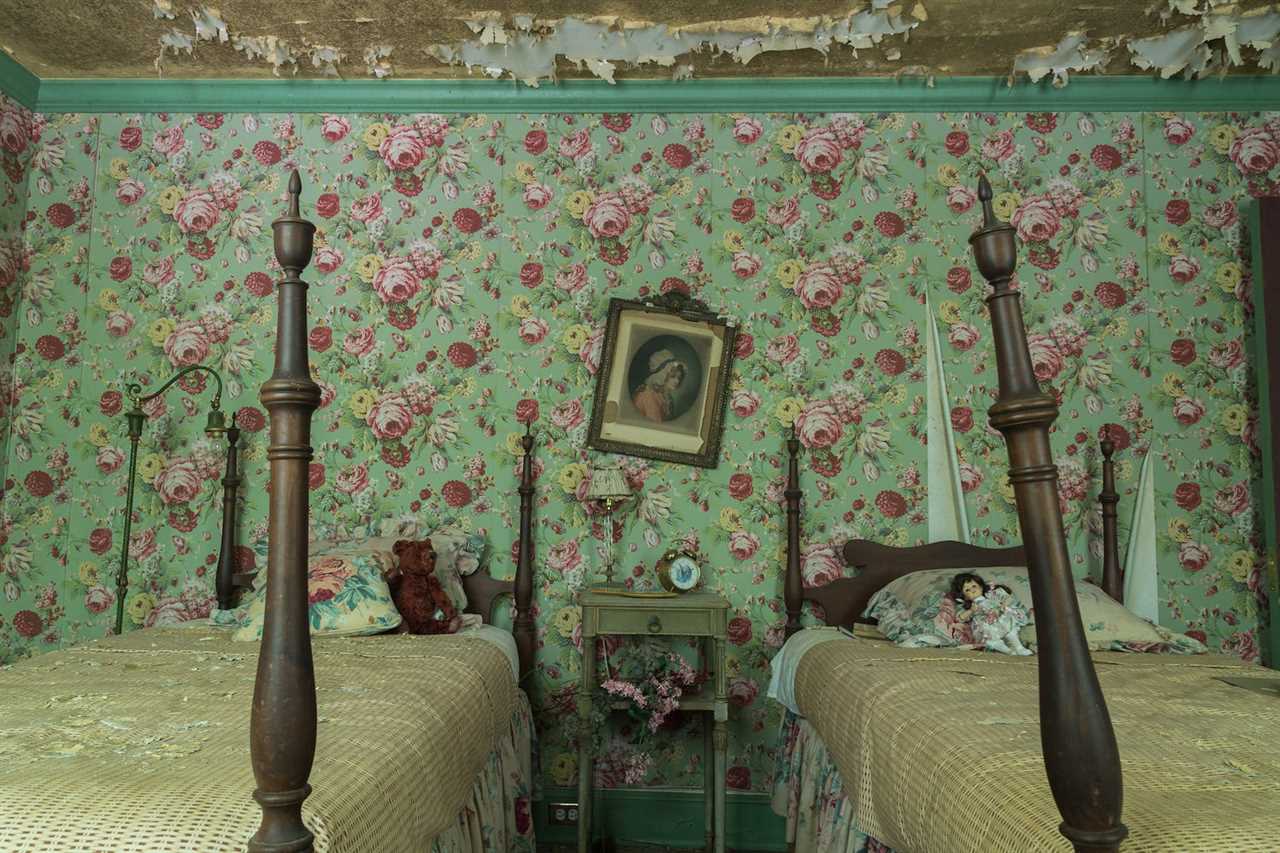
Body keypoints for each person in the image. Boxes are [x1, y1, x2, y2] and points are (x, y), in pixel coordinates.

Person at [950, 572, 1033, 655]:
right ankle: (1008, 651)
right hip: (986, 626)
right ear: (965, 596)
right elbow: (959, 618)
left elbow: (1009, 598)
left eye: (974, 586)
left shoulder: (992, 595)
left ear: (981, 586)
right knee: (990, 639)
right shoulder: (972, 606)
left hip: (1000, 617)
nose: (972, 590)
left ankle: (1019, 647)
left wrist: (1000, 607)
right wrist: (971, 611)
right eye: (967, 590)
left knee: (1010, 629)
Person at [631, 349, 686, 423]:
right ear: (662, 376)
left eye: (679, 377)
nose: (677, 381)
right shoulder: (648, 395)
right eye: (673, 376)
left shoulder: (666, 396)